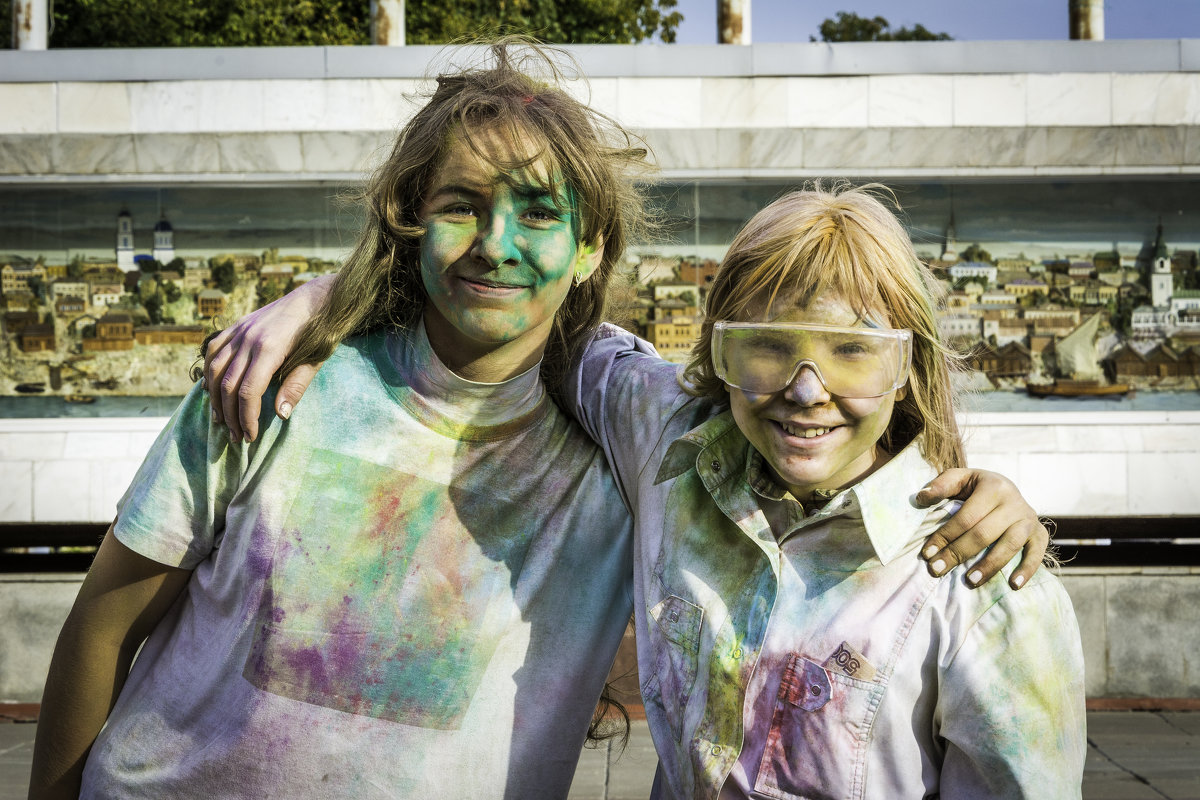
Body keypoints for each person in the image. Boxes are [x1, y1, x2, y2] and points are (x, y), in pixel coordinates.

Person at [30, 40, 648, 799]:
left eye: (540, 212)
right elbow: (104, 622)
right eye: (461, 206)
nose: (495, 245)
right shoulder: (273, 386)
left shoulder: (621, 457)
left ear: (590, 248)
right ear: (413, 223)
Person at [568, 185, 1086, 798]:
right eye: (768, 346)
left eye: (851, 351)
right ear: (721, 352)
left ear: (904, 373)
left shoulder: (981, 586)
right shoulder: (666, 445)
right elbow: (555, 344)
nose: (808, 391)